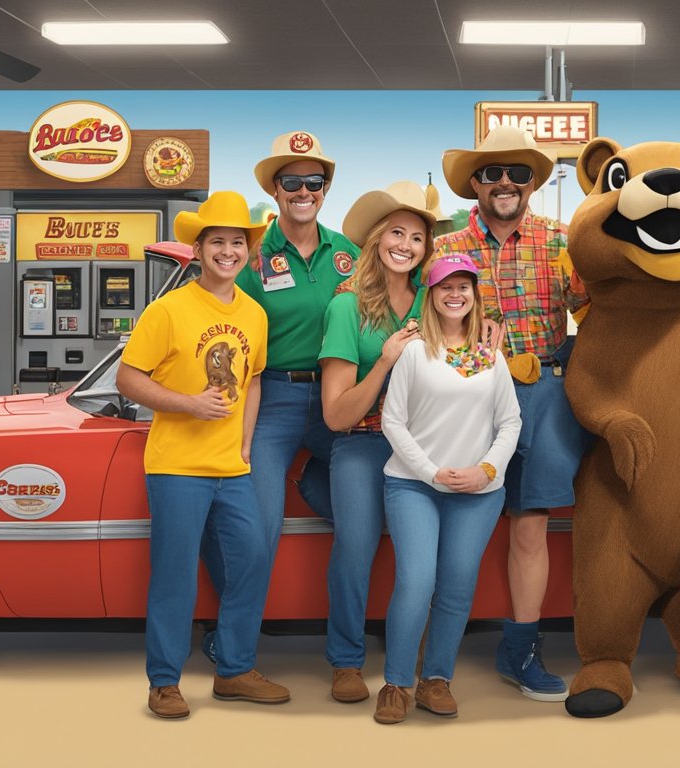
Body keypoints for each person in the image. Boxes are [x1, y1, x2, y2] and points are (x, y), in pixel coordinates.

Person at [116, 191, 288, 718]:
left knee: (254, 562)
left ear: (248, 251)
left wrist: (243, 442)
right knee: (175, 575)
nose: (228, 251)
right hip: (175, 467)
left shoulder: (255, 314)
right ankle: (164, 682)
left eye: (238, 242)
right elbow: (128, 379)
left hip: (231, 469)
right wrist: (188, 403)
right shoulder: (167, 310)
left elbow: (253, 379)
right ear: (199, 248)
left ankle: (234, 670)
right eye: (218, 241)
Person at [435, 125, 587, 700]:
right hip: (468, 393)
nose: (505, 182)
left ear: (531, 183)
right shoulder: (446, 247)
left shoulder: (560, 239)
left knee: (530, 528)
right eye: (492, 172)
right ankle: (434, 652)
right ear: (474, 182)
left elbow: (594, 309)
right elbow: (425, 329)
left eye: (518, 173)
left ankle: (519, 648)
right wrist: (471, 354)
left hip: (546, 391)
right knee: (458, 522)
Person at [201, 131, 359, 662]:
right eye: (292, 181)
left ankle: (350, 646)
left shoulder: (351, 255)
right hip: (269, 398)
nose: (303, 190)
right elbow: (217, 322)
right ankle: (233, 637)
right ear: (275, 189)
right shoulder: (248, 254)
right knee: (255, 528)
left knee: (367, 509)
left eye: (314, 181)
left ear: (326, 188)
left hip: (339, 397)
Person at [373, 254, 523, 724]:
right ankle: (396, 684)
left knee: (457, 587)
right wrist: (431, 472)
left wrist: (486, 470)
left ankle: (436, 679)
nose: (455, 295)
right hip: (414, 485)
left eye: (465, 287)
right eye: (445, 287)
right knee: (417, 582)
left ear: (475, 296)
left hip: (478, 491)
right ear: (431, 296)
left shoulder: (490, 354)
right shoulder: (415, 351)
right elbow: (391, 421)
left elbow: (510, 421)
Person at [316, 181, 437, 704]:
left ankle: (416, 656)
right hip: (363, 442)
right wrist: (385, 359)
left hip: (425, 444)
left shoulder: (437, 300)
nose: (406, 244)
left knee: (423, 555)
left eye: (417, 236)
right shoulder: (346, 308)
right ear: (374, 240)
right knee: (355, 547)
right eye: (396, 233)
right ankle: (345, 660)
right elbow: (336, 414)